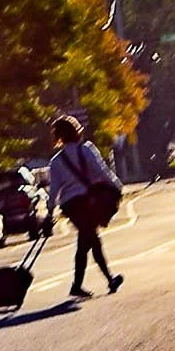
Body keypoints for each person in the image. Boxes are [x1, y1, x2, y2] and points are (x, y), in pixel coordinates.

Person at [47, 116, 124, 298]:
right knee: (91, 239)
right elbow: (102, 171)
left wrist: (49, 213)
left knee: (87, 240)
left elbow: (54, 190)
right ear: (77, 131)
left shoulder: (56, 162)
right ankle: (108, 279)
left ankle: (80, 285)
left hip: (71, 205)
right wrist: (117, 186)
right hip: (88, 201)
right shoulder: (87, 150)